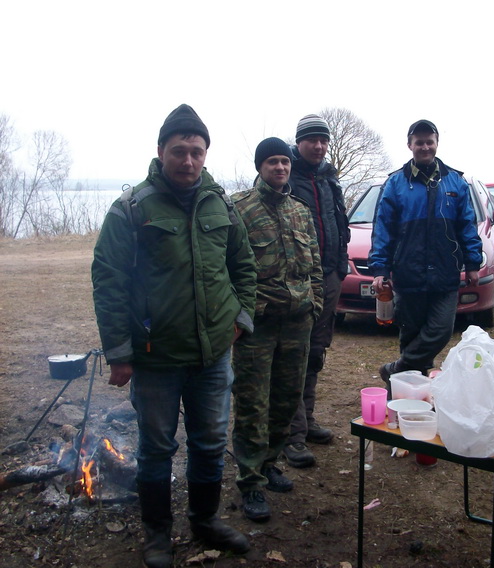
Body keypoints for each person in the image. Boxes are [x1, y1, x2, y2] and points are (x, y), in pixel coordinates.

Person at [92, 104, 257, 567]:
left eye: (197, 152)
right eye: (179, 151)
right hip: (156, 355)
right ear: (160, 150)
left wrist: (241, 319)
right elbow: (108, 281)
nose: (188, 160)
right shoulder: (131, 208)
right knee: (157, 447)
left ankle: (205, 520)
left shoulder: (222, 204)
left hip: (213, 354)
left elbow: (244, 266)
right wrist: (119, 353)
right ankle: (157, 534)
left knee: (210, 441)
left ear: (206, 154)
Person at [230, 137, 323, 521]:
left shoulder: (299, 210)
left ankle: (269, 464)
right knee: (253, 404)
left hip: (297, 322)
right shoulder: (239, 209)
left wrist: (315, 304)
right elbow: (228, 268)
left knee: (286, 400)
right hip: (259, 325)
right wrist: (241, 315)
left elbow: (315, 264)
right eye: (272, 162)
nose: (281, 168)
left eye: (285, 161)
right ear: (260, 167)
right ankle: (250, 481)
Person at [371, 119, 483, 386]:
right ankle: (409, 391)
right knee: (411, 334)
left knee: (440, 331)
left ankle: (396, 370)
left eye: (429, 142)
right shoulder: (395, 183)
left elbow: (467, 226)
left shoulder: (455, 182)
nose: (424, 147)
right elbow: (383, 228)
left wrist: (473, 263)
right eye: (419, 142)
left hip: (445, 272)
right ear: (409, 145)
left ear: (436, 143)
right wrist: (380, 269)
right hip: (408, 272)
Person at [283, 114, 349, 469]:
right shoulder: (284, 173)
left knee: (316, 353)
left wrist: (340, 267)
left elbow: (339, 223)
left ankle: (306, 420)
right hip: (298, 281)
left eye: (324, 140)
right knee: (294, 355)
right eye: (312, 140)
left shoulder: (329, 177)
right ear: (299, 142)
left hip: (330, 275)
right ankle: (291, 434)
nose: (319, 146)